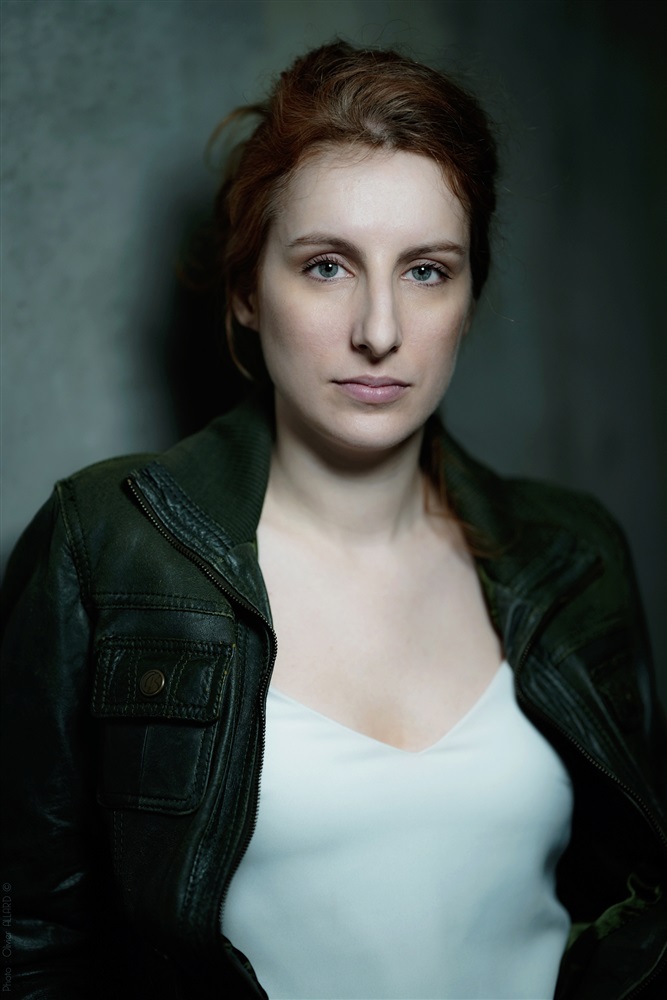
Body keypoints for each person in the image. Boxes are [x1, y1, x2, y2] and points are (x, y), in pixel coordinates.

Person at [1, 40, 666, 1000]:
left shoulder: (572, 553)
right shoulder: (104, 545)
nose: (379, 330)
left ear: (469, 296)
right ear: (245, 291)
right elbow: (30, 942)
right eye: (325, 266)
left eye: (426, 271)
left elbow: (637, 900)